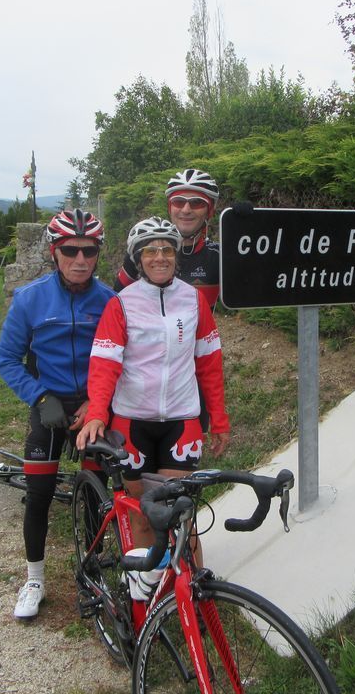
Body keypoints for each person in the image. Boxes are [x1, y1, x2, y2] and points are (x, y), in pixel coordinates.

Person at [77, 216, 230, 552]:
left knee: (181, 514)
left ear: (176, 255)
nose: (160, 257)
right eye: (150, 251)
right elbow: (105, 365)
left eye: (167, 250)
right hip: (132, 422)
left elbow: (209, 364)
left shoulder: (193, 300)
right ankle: (144, 599)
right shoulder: (121, 303)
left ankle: (190, 598)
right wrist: (97, 413)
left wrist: (218, 418)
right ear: (138, 259)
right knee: (144, 516)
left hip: (183, 419)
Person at [0, 208, 115, 620]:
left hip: (93, 407)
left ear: (99, 253)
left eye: (89, 250)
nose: (80, 259)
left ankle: (93, 569)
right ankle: (34, 579)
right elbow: (7, 358)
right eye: (70, 250)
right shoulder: (31, 299)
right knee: (39, 496)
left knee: (97, 492)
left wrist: (98, 402)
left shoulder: (111, 302)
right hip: (49, 405)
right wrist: (40, 396)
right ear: (54, 251)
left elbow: (125, 359)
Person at [115, 168, 221, 309]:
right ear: (170, 208)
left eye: (196, 203)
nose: (186, 210)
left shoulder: (219, 256)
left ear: (210, 210)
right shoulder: (142, 250)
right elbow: (116, 302)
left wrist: (248, 228)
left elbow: (253, 288)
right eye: (178, 202)